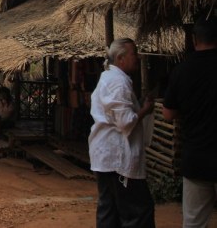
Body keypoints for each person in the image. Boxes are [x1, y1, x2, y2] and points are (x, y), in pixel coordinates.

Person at [88, 38, 155, 228]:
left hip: (107, 158)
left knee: (109, 212)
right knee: (137, 213)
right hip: (118, 160)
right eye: (134, 53)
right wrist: (145, 110)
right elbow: (125, 123)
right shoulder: (117, 82)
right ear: (121, 58)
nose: (138, 57)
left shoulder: (110, 78)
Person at [163, 16, 217, 228]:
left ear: (195, 40)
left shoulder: (182, 70)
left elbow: (168, 114)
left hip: (196, 158)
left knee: (194, 222)